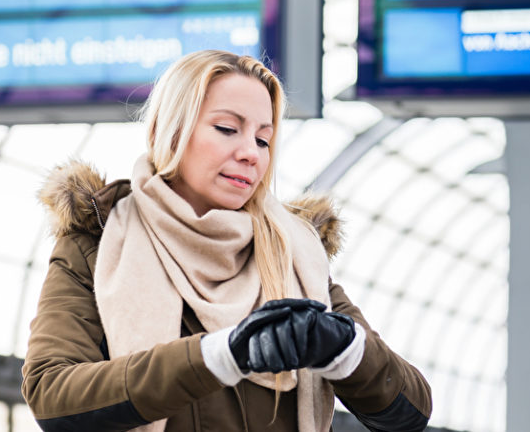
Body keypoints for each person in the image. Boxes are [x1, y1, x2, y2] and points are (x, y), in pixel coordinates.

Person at [22, 50, 432, 431]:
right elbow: (53, 393)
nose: (251, 153)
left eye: (263, 139)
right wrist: (222, 355)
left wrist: (343, 346)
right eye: (227, 129)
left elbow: (410, 410)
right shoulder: (98, 242)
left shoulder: (295, 254)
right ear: (170, 131)